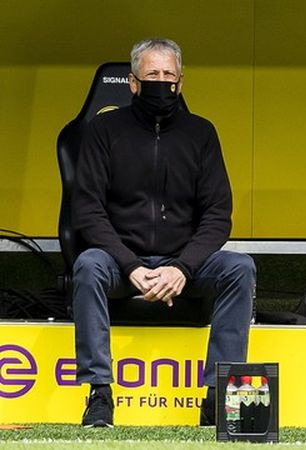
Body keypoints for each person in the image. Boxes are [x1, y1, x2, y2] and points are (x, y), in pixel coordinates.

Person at [72, 38, 255, 427]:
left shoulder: (201, 133)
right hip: (119, 263)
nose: (161, 82)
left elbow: (218, 215)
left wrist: (183, 268)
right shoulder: (103, 130)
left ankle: (218, 400)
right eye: (152, 75)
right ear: (133, 83)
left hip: (183, 264)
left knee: (239, 267)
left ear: (181, 81)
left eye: (168, 75)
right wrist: (132, 266)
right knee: (88, 264)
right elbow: (87, 211)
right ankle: (99, 394)